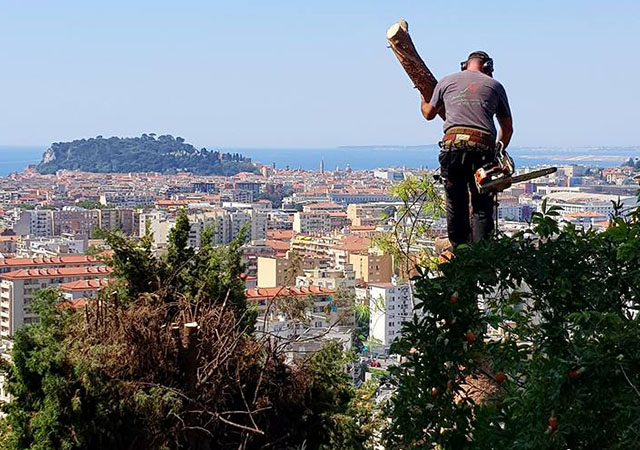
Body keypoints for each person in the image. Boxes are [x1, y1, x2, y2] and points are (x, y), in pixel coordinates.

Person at [421, 51, 513, 248]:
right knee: (481, 204)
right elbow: (507, 128)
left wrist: (423, 98)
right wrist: (499, 151)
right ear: (487, 66)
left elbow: (428, 113)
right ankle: (481, 254)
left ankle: (459, 250)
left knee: (456, 202)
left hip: (452, 147)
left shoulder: (446, 81)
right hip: (482, 149)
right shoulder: (495, 86)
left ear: (465, 65)